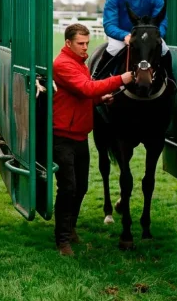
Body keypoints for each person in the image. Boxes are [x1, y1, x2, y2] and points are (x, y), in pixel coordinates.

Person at [52, 23, 134, 256]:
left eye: (87, 43)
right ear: (68, 43)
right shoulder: (63, 64)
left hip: (79, 135)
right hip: (62, 137)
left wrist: (100, 100)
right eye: (81, 44)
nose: (85, 48)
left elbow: (82, 96)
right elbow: (87, 88)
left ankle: (70, 228)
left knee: (82, 187)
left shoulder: (79, 63)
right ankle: (62, 240)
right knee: (67, 188)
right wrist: (121, 79)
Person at [97, 0, 172, 79]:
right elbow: (109, 24)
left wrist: (156, 35)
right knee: (114, 48)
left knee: (164, 49)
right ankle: (97, 77)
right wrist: (124, 36)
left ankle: (170, 79)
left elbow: (162, 22)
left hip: (147, 36)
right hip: (122, 36)